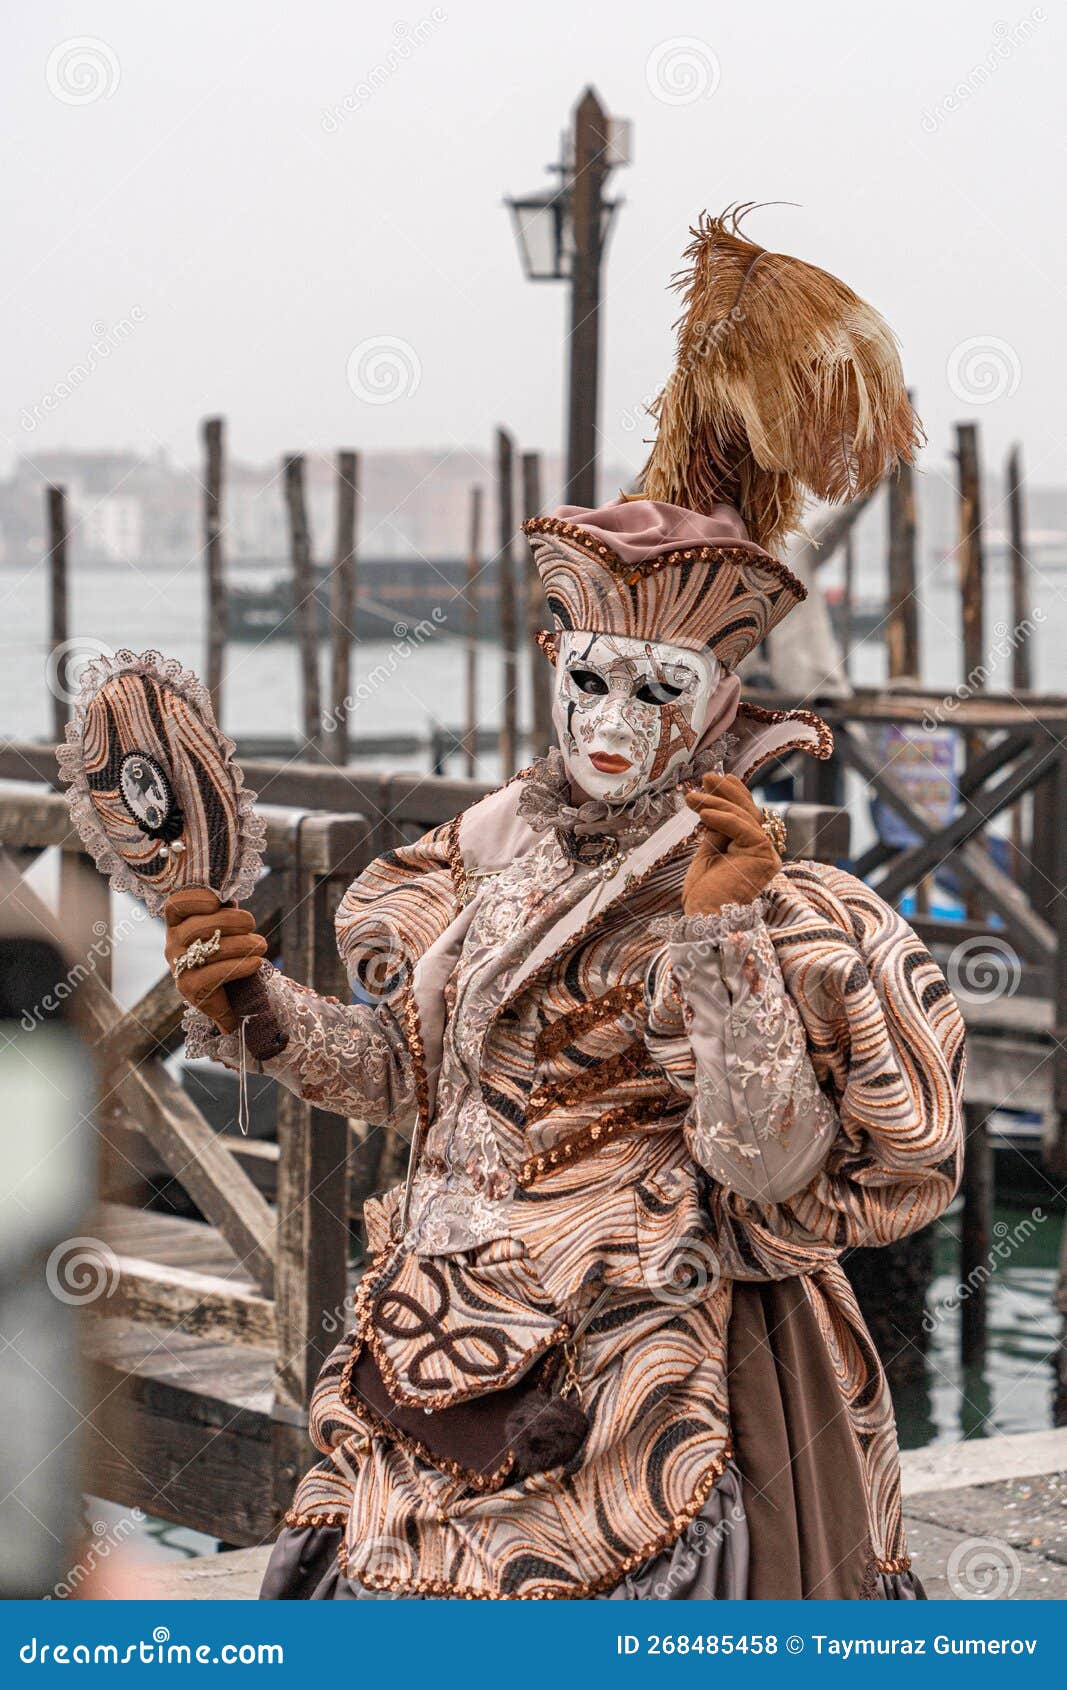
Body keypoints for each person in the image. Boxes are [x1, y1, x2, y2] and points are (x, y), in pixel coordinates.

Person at [166, 209, 964, 1600]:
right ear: (552, 658)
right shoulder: (497, 845)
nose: (607, 720)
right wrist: (259, 1013)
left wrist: (721, 935)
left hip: (648, 1364)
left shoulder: (761, 895)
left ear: (723, 698)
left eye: (654, 691)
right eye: (587, 678)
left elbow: (766, 1166)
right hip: (443, 1329)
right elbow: (415, 1070)